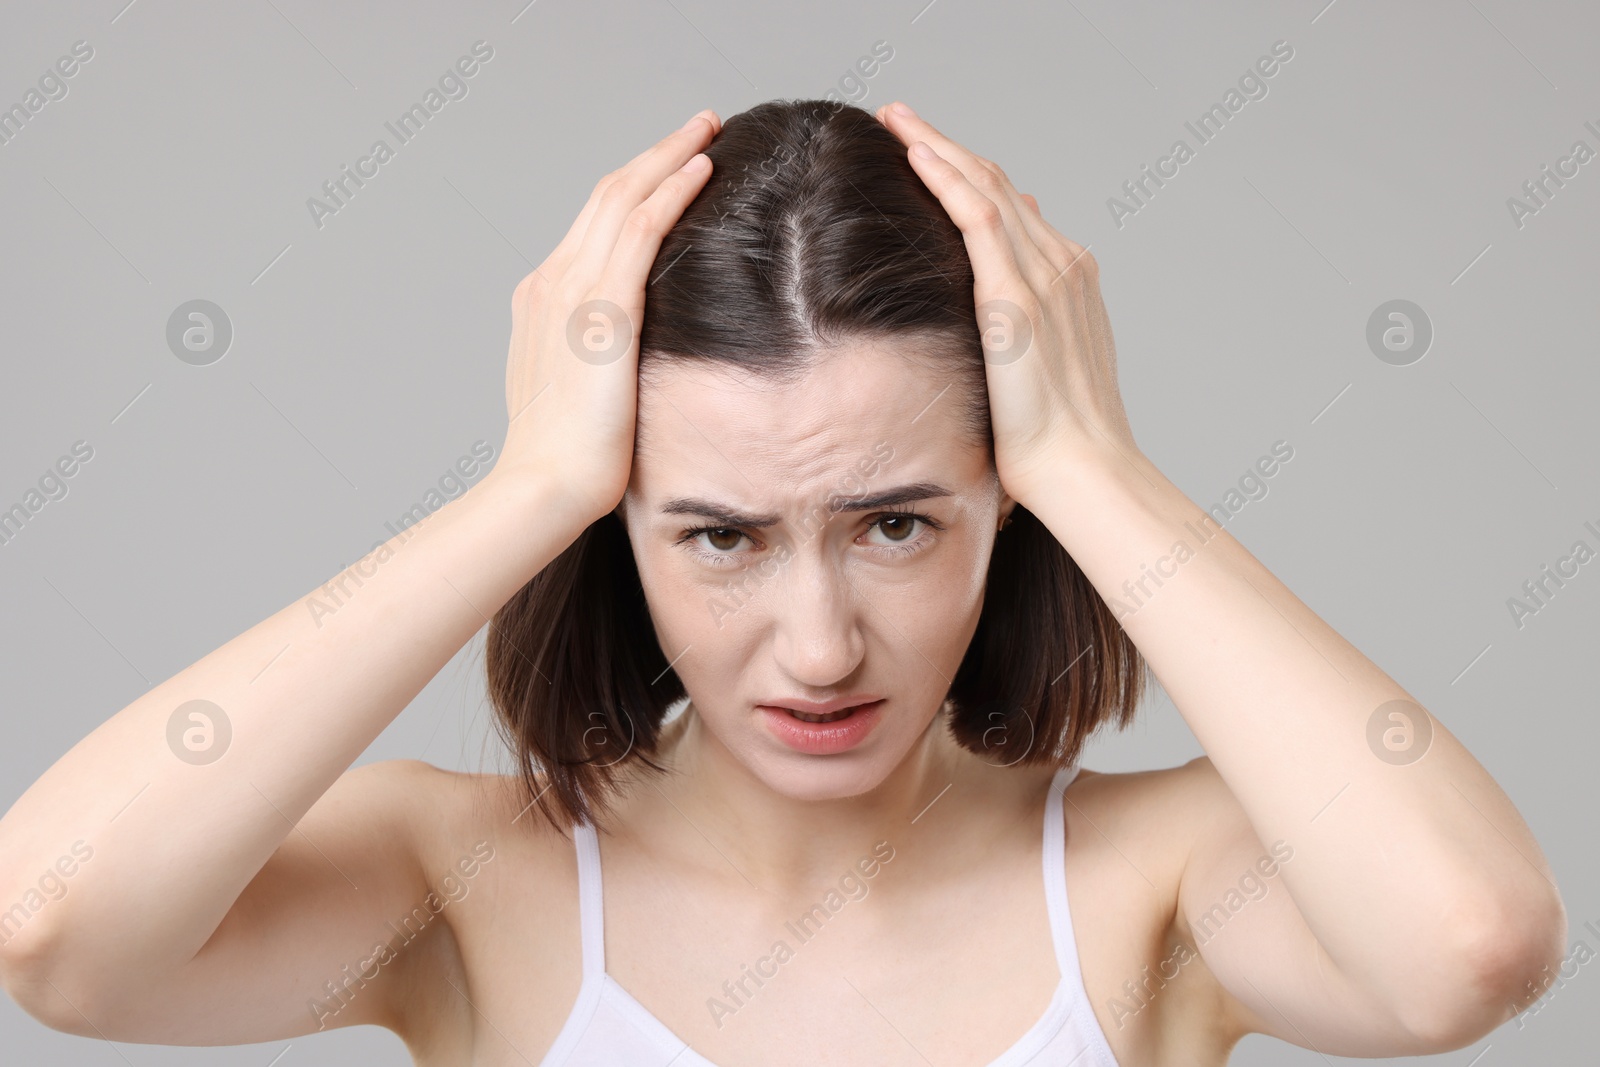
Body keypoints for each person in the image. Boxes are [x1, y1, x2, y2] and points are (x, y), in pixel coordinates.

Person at [0, 99, 1567, 1066]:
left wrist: (1095, 468)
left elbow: (1470, 950)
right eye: (721, 535)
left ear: (1003, 509)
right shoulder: (468, 887)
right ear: (619, 531)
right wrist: (529, 490)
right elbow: (53, 937)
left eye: (898, 524)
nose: (819, 650)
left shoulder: (1154, 887)